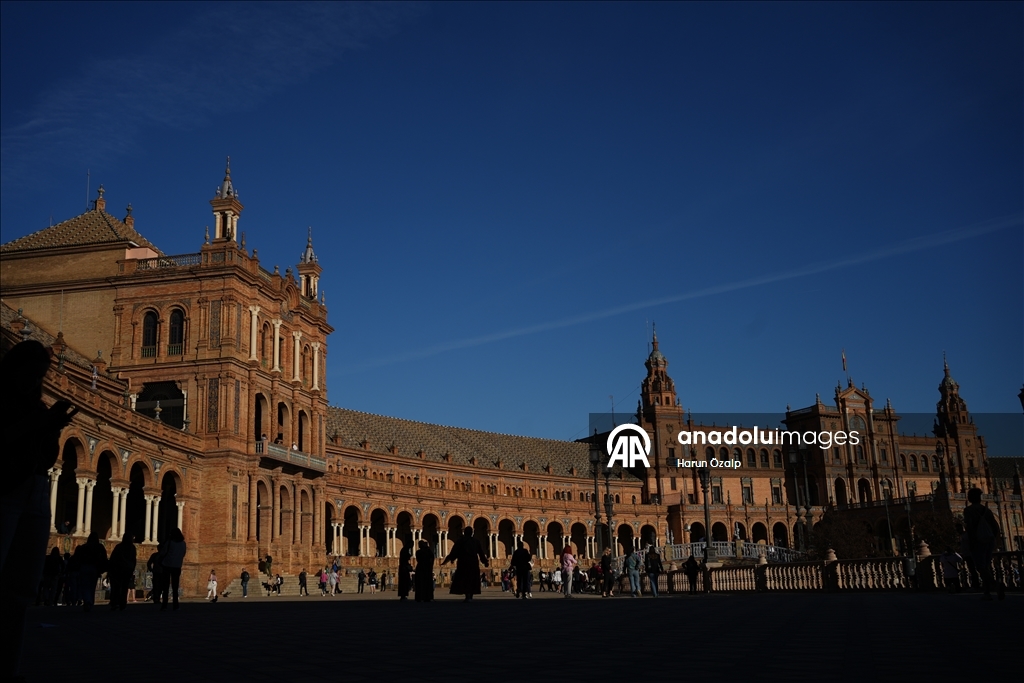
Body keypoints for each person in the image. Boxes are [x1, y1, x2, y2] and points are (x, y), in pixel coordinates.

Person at [0, 341, 78, 678]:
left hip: (36, 487)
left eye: (40, 376)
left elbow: (48, 458)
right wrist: (35, 426)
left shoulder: (36, 405)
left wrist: (51, 428)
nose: (34, 382)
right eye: (30, 374)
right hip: (4, 488)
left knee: (21, 591)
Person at [963, 488, 1004, 600]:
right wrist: (993, 539)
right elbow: (995, 527)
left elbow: (970, 528)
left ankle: (995, 585)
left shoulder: (968, 510)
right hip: (989, 541)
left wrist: (971, 542)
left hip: (977, 542)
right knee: (985, 566)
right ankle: (987, 592)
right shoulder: (987, 510)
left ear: (970, 498)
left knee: (980, 567)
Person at [442, 528, 489, 601]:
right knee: (472, 578)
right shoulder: (476, 541)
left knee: (465, 578)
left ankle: (467, 595)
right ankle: (470, 595)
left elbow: (454, 552)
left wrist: (448, 560)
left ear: (464, 532)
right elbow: (481, 553)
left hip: (463, 562)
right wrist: (485, 562)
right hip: (473, 562)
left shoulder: (460, 541)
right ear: (472, 533)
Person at [75, 532, 108, 612]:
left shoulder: (84, 547)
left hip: (84, 567)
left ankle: (87, 601)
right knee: (92, 586)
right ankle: (90, 602)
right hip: (94, 568)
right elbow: (104, 557)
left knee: (85, 585)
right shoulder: (99, 547)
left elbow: (78, 557)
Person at [108, 535, 136, 611]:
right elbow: (134, 560)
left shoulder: (119, 547)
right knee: (124, 587)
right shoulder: (132, 548)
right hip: (127, 569)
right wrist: (132, 569)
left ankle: (115, 602)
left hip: (118, 569)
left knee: (116, 587)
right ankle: (122, 604)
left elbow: (113, 558)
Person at [160, 527, 186, 610]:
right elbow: (183, 554)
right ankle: (175, 604)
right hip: (177, 566)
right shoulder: (183, 543)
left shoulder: (170, 542)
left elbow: (163, 552)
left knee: (165, 586)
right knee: (175, 586)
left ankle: (164, 605)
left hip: (167, 565)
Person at [398, 536, 413, 600]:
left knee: (405, 582)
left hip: (403, 567)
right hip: (404, 568)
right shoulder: (405, 550)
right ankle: (403, 595)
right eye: (412, 544)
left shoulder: (404, 549)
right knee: (404, 582)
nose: (412, 546)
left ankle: (403, 595)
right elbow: (405, 559)